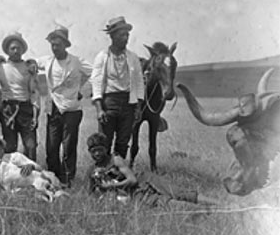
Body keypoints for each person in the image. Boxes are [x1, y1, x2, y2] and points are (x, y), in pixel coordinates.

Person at [85, 132, 221, 207]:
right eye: (94, 151)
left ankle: (222, 205)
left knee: (177, 192)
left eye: (100, 150)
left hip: (144, 179)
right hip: (133, 195)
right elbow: (89, 194)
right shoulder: (92, 171)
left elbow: (131, 179)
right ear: (89, 152)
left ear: (106, 149)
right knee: (163, 203)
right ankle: (203, 211)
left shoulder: (115, 159)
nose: (97, 154)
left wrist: (112, 186)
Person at [37, 25, 92, 188]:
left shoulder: (76, 61)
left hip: (72, 109)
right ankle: (54, 178)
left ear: (65, 45)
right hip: (53, 108)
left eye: (58, 44)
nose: (55, 48)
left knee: (69, 147)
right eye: (52, 45)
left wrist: (82, 89)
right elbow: (30, 63)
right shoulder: (47, 61)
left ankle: (68, 180)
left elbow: (95, 73)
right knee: (52, 147)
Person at [90, 16, 145, 158]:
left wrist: (138, 106)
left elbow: (139, 82)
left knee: (123, 141)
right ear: (112, 36)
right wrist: (99, 109)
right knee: (104, 141)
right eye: (122, 35)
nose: (126, 38)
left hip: (128, 103)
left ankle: (119, 174)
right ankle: (102, 174)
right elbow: (96, 83)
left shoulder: (133, 57)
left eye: (127, 35)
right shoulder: (102, 57)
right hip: (109, 102)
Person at [0, 32, 40, 160]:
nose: (15, 51)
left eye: (18, 48)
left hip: (26, 109)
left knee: (31, 146)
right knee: (9, 146)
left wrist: (36, 115)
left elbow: (34, 93)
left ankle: (32, 175)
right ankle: (10, 175)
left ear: (23, 50)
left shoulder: (29, 68)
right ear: (7, 51)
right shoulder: (0, 68)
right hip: (8, 110)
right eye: (12, 48)